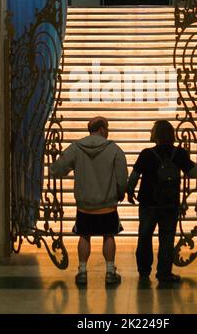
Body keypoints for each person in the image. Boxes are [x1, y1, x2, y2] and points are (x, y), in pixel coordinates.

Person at [50, 116, 128, 286]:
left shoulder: (76, 148)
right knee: (109, 235)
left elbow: (56, 169)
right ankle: (109, 272)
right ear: (101, 130)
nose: (108, 131)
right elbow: (122, 178)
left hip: (84, 206)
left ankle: (83, 272)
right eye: (107, 128)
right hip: (107, 205)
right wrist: (120, 193)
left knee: (84, 236)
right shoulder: (114, 149)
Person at [127, 120, 197, 284]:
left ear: (156, 135)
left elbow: (134, 176)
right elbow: (193, 173)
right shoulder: (179, 153)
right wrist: (190, 156)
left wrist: (129, 191)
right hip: (170, 203)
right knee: (167, 237)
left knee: (145, 236)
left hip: (148, 203)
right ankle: (164, 273)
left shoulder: (146, 153)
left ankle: (144, 270)